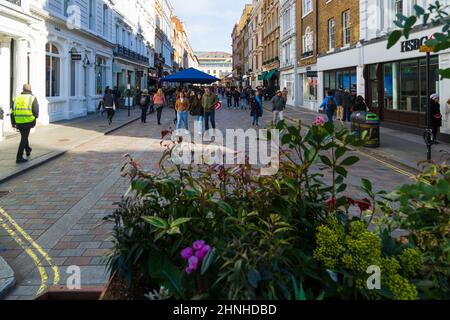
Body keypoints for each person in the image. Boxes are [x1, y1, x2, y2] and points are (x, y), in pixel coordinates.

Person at [11, 84, 39, 164]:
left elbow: (12, 111)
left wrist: (13, 123)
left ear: (23, 89)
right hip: (28, 121)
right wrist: (35, 118)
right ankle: (19, 157)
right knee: (24, 138)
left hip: (18, 122)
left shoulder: (16, 98)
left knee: (24, 136)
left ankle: (28, 150)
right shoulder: (32, 97)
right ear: (30, 89)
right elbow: (35, 110)